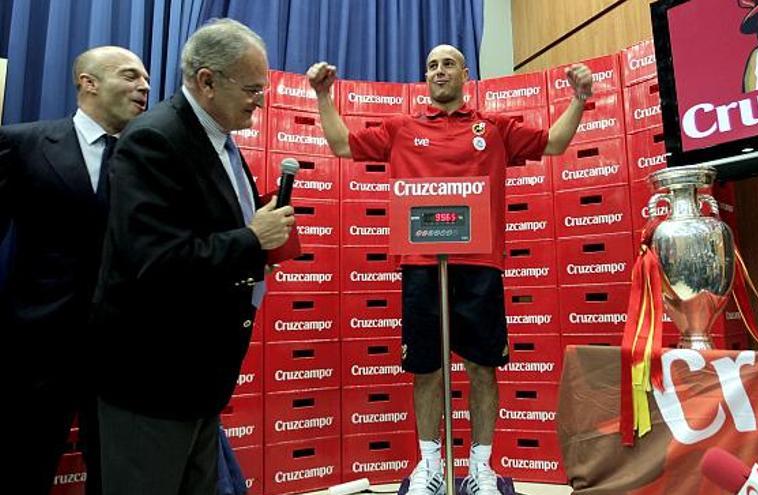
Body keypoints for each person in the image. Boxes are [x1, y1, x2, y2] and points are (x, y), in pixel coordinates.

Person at [307, 45, 592, 495]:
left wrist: (578, 99)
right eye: (431, 66)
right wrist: (324, 96)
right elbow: (342, 145)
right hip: (420, 265)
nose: (438, 71)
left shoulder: (493, 127)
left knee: (483, 368)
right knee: (426, 369)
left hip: (480, 266)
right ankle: (430, 467)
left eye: (447, 64)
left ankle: (481, 468)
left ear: (465, 73)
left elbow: (553, 144)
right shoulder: (402, 127)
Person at [90, 19, 294, 495]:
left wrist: (258, 225)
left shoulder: (217, 139)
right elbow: (155, 261)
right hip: (152, 379)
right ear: (207, 81)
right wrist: (250, 238)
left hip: (198, 379)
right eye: (250, 88)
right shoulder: (154, 139)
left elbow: (206, 225)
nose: (260, 100)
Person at [0, 46, 149, 495]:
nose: (144, 87)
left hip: (121, 347)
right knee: (24, 464)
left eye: (146, 78)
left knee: (119, 471)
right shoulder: (21, 142)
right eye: (130, 76)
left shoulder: (146, 159)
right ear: (88, 82)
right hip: (38, 345)